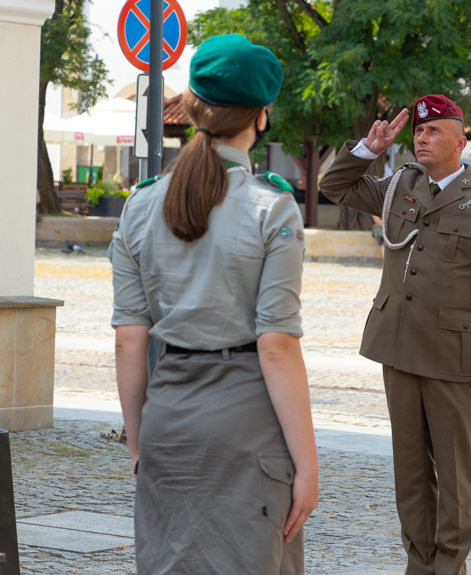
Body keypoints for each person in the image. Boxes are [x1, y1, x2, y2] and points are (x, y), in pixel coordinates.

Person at [110, 34, 318, 574]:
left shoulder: (140, 205)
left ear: (195, 107)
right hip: (246, 422)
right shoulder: (272, 209)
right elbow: (276, 347)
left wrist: (139, 442)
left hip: (168, 414)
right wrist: (309, 464)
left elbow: (129, 340)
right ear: (262, 116)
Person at [319, 94, 471, 574]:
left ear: (460, 138)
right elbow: (334, 185)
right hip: (398, 346)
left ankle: (449, 567)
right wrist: (369, 149)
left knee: (453, 475)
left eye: (434, 131)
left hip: (453, 357)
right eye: (419, 131)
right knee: (410, 473)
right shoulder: (398, 186)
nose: (423, 138)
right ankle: (420, 564)